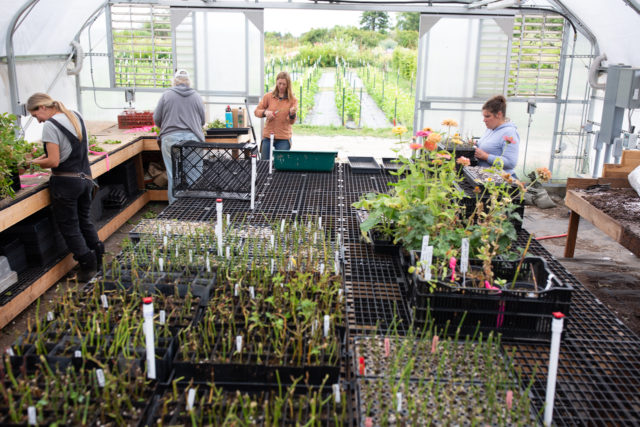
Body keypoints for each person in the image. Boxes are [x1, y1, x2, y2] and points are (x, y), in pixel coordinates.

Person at [26, 93, 103, 281]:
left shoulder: (51, 126)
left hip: (66, 183)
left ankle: (87, 266)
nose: (38, 121)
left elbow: (54, 160)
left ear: (42, 107)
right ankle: (99, 256)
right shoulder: (74, 115)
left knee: (70, 226)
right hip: (86, 179)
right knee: (85, 220)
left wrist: (32, 163)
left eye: (36, 116)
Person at [154, 69, 205, 204]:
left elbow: (157, 118)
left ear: (174, 82)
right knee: (194, 175)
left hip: (170, 139)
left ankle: (175, 210)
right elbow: (203, 121)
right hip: (193, 139)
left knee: (173, 174)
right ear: (189, 82)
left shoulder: (166, 96)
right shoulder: (196, 96)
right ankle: (194, 208)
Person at [254, 71, 298, 159]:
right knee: (264, 164)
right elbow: (256, 111)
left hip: (284, 138)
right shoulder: (268, 97)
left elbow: (291, 122)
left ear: (288, 85)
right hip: (268, 136)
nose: (281, 86)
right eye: (279, 83)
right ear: (276, 82)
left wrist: (292, 114)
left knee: (281, 165)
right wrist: (265, 113)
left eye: (284, 84)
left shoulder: (292, 100)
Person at [474, 95, 520, 176]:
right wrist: (475, 144)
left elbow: (511, 162)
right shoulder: (490, 128)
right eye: (484, 116)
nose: (484, 120)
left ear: (499, 114)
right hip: (486, 177)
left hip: (501, 180)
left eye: (487, 116)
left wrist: (486, 157)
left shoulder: (509, 132)